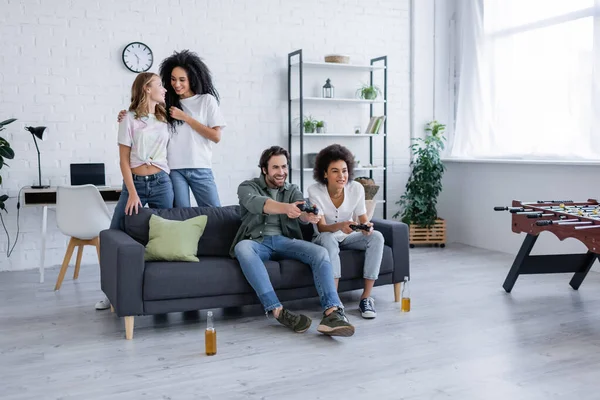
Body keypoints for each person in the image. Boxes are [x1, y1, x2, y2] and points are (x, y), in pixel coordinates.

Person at [230, 146, 355, 337]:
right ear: (264, 169)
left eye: (284, 167)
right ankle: (278, 311)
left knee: (320, 253)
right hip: (257, 242)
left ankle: (332, 313)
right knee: (242, 248)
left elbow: (302, 211)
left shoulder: (292, 190)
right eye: (276, 168)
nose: (281, 172)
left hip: (286, 242)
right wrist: (286, 208)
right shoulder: (247, 187)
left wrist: (309, 215)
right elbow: (260, 204)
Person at [97, 72, 174, 311]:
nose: (165, 89)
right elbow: (123, 160)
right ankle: (110, 293)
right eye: (160, 85)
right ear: (146, 89)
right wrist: (132, 192)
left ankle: (166, 290)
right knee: (114, 233)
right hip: (136, 185)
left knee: (167, 237)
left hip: (162, 183)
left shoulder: (165, 118)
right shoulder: (128, 118)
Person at [118, 49, 226, 208]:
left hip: (200, 167)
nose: (177, 84)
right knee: (180, 217)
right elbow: (146, 116)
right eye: (173, 79)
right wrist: (125, 115)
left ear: (192, 79)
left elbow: (216, 136)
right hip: (174, 170)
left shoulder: (206, 101)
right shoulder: (166, 102)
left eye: (182, 79)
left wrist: (186, 118)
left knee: (215, 212)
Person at [307, 144, 385, 319]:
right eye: (335, 171)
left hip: (348, 236)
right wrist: (341, 225)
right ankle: (334, 302)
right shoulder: (315, 191)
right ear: (325, 174)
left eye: (344, 170)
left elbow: (363, 217)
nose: (341, 176)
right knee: (328, 238)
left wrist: (366, 227)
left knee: (377, 237)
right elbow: (321, 228)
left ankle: (366, 298)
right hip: (324, 237)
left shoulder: (356, 188)